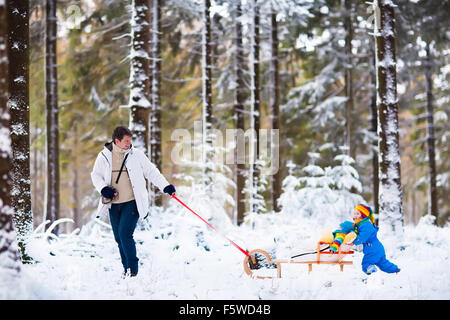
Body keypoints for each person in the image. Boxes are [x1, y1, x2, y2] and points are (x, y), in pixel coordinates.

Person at [91, 126, 176, 277]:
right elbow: (96, 175)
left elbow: (152, 172)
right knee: (118, 238)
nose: (129, 143)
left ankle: (133, 269)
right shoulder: (104, 156)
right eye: (126, 141)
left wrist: (166, 186)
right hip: (113, 204)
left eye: (130, 140)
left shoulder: (136, 155)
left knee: (125, 234)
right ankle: (126, 269)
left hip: (132, 202)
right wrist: (103, 188)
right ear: (116, 141)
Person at [347, 204, 400, 275]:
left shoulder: (365, 225)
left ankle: (372, 272)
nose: (355, 215)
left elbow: (363, 236)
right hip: (377, 248)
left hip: (372, 249)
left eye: (357, 214)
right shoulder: (362, 224)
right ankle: (396, 270)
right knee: (383, 264)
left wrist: (354, 242)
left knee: (366, 263)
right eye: (354, 213)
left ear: (363, 215)